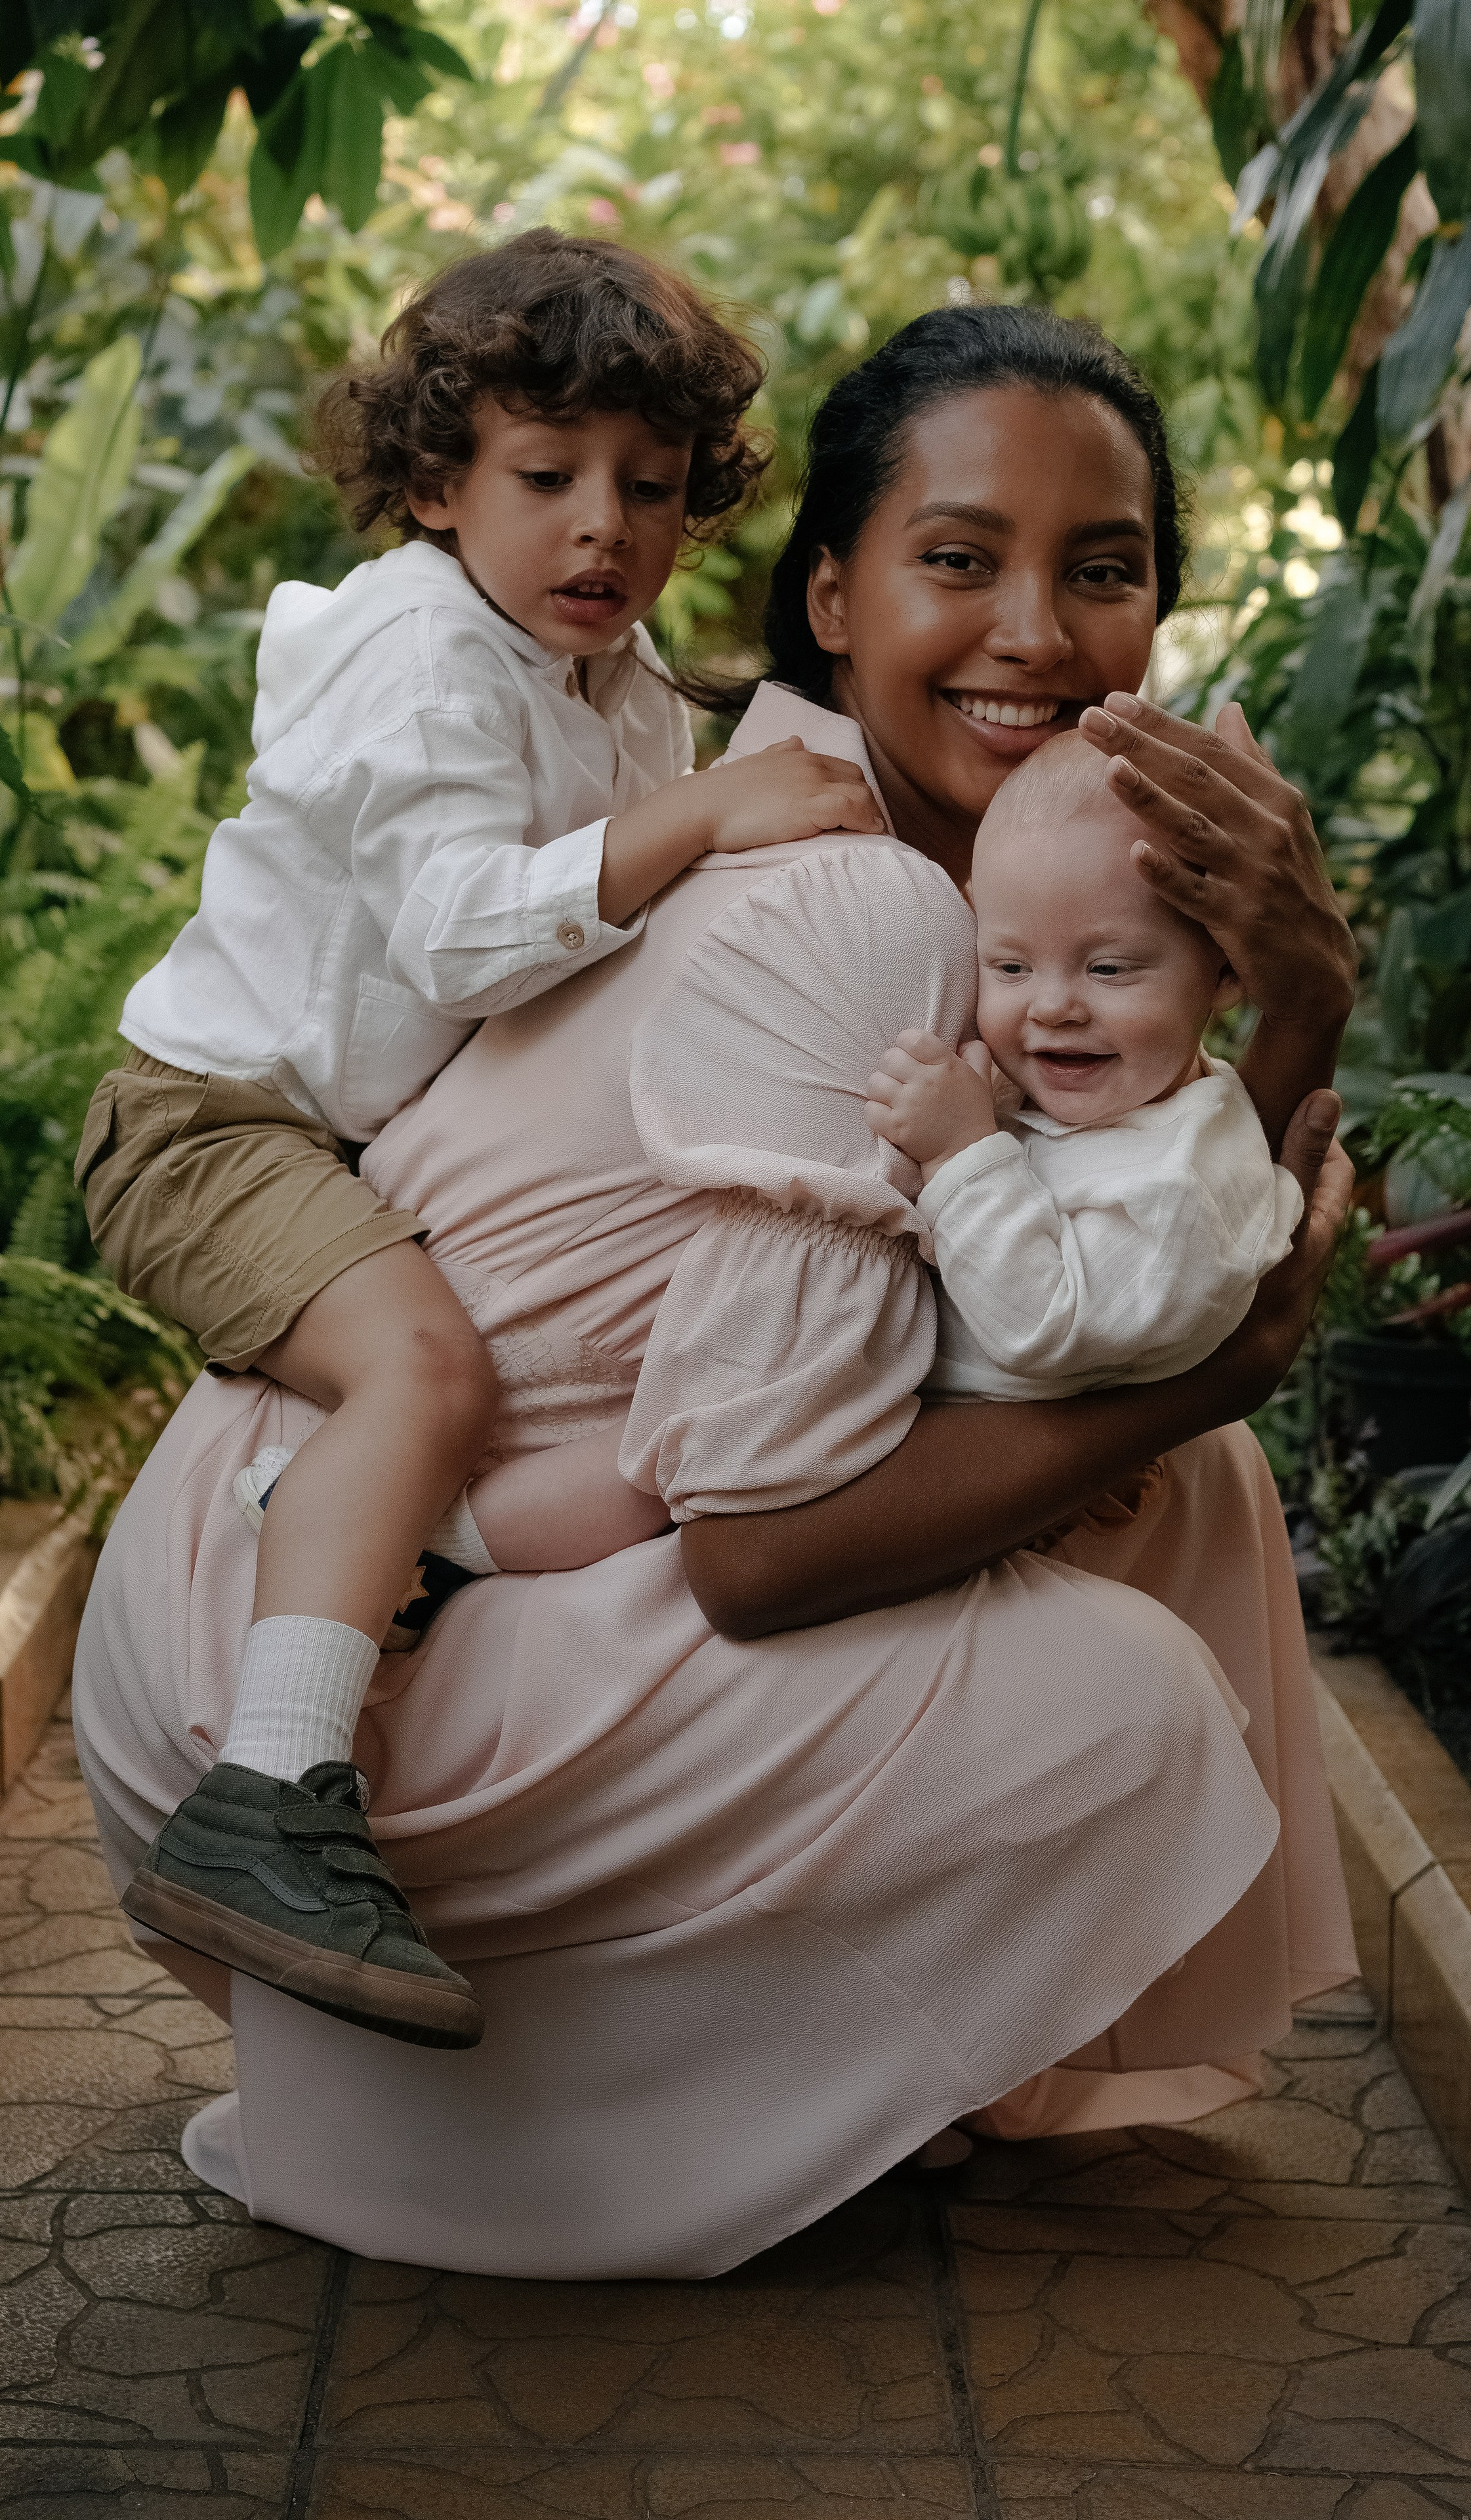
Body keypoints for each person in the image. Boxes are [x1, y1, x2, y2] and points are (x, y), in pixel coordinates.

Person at [73, 303, 1361, 2281]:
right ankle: (553, 2138)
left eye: (1098, 571)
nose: (1034, 629)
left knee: (1175, 1484)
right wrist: (1213, 1368)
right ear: (824, 596)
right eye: (957, 558)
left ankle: (878, 2060)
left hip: (513, 1527)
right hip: (335, 1627)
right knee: (1126, 1679)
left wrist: (1292, 1014)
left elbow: (1103, 1289)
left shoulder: (1005, 915)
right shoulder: (851, 897)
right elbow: (775, 1542)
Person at [75, 231, 886, 2053]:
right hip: (212, 1129)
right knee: (427, 1369)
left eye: (651, 490)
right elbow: (459, 933)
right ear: (439, 485)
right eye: (547, 478)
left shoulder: (598, 668)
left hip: (351, 1135)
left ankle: (393, 1542)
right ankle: (268, 1798)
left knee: (538, 1410)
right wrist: (707, 824)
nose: (603, 530)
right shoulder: (426, 659)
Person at [863, 732, 1303, 1398]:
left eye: (1107, 968)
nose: (1052, 1007)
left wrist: (960, 1154)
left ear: (1226, 971)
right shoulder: (1109, 1092)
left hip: (1031, 1491)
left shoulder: (1181, 1192)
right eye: (1010, 966)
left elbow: (1042, 1327)